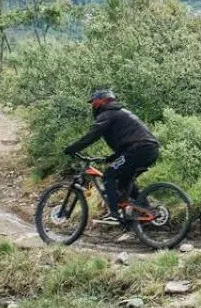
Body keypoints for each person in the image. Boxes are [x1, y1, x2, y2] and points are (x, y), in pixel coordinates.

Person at [62, 89, 161, 226]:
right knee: (124, 182)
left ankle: (113, 214)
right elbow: (128, 141)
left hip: (138, 149)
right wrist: (110, 158)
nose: (92, 105)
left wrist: (72, 148)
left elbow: (93, 135)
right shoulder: (119, 112)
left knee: (109, 176)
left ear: (102, 100)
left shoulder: (108, 113)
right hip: (148, 149)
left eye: (93, 102)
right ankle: (145, 212)